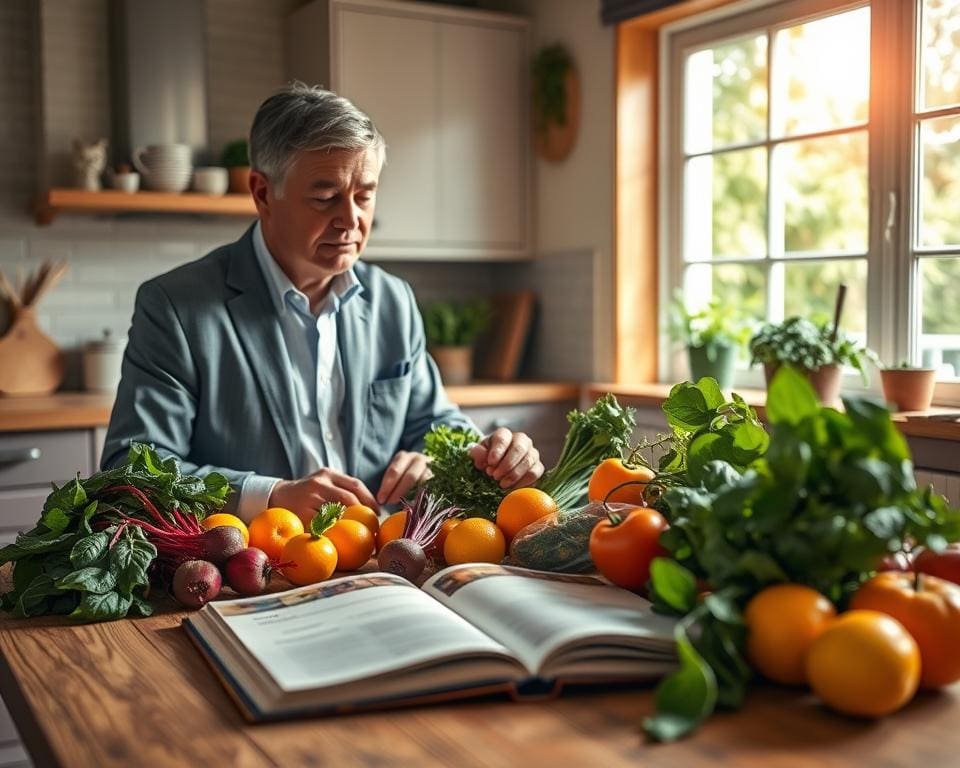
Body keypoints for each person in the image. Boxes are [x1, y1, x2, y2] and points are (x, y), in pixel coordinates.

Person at [101, 83, 544, 524]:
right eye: (325, 197)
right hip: (250, 568)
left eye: (365, 195)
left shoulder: (392, 300)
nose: (351, 219)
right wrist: (271, 496)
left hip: (377, 559)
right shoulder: (176, 307)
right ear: (261, 193)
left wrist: (482, 453)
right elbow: (131, 471)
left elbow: (432, 422)